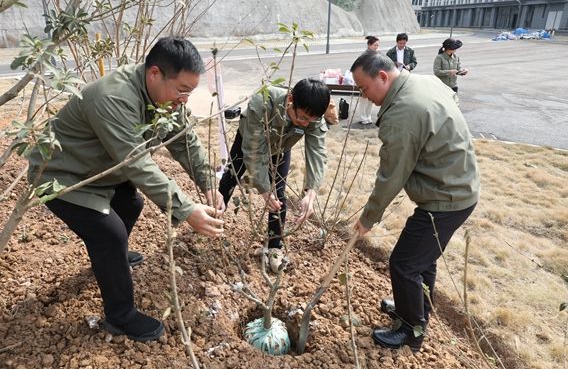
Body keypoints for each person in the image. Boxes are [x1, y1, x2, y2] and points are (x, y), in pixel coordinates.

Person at [28, 37, 225, 342]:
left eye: (190, 91)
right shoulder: (114, 97)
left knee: (130, 206)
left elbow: (185, 140)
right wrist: (186, 210)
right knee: (110, 233)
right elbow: (136, 163)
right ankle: (120, 316)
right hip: (63, 174)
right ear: (155, 74)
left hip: (98, 166)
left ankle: (109, 260)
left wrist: (208, 183)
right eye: (182, 90)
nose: (184, 99)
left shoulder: (164, 98)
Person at [350, 50, 480, 352]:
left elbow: (391, 176)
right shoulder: (423, 82)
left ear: (383, 77)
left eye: (364, 88)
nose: (364, 97)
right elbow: (452, 101)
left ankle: (411, 330)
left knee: (404, 264)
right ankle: (417, 311)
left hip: (447, 197)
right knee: (421, 260)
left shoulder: (401, 114)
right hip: (458, 185)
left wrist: (368, 218)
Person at [218, 79, 330, 272]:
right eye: (301, 117)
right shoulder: (263, 101)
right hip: (250, 140)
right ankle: (213, 217)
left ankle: (274, 247)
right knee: (230, 178)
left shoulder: (312, 115)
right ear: (290, 100)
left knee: (278, 196)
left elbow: (317, 153)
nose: (304, 123)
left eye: (309, 121)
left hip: (281, 147)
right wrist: (263, 189)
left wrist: (311, 192)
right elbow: (254, 153)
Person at [358, 36, 380, 125]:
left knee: (371, 99)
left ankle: (368, 116)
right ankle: (363, 117)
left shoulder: (376, 54)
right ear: (369, 45)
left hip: (373, 80)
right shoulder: (364, 55)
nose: (376, 47)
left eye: (377, 45)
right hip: (365, 80)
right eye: (375, 45)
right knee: (364, 99)